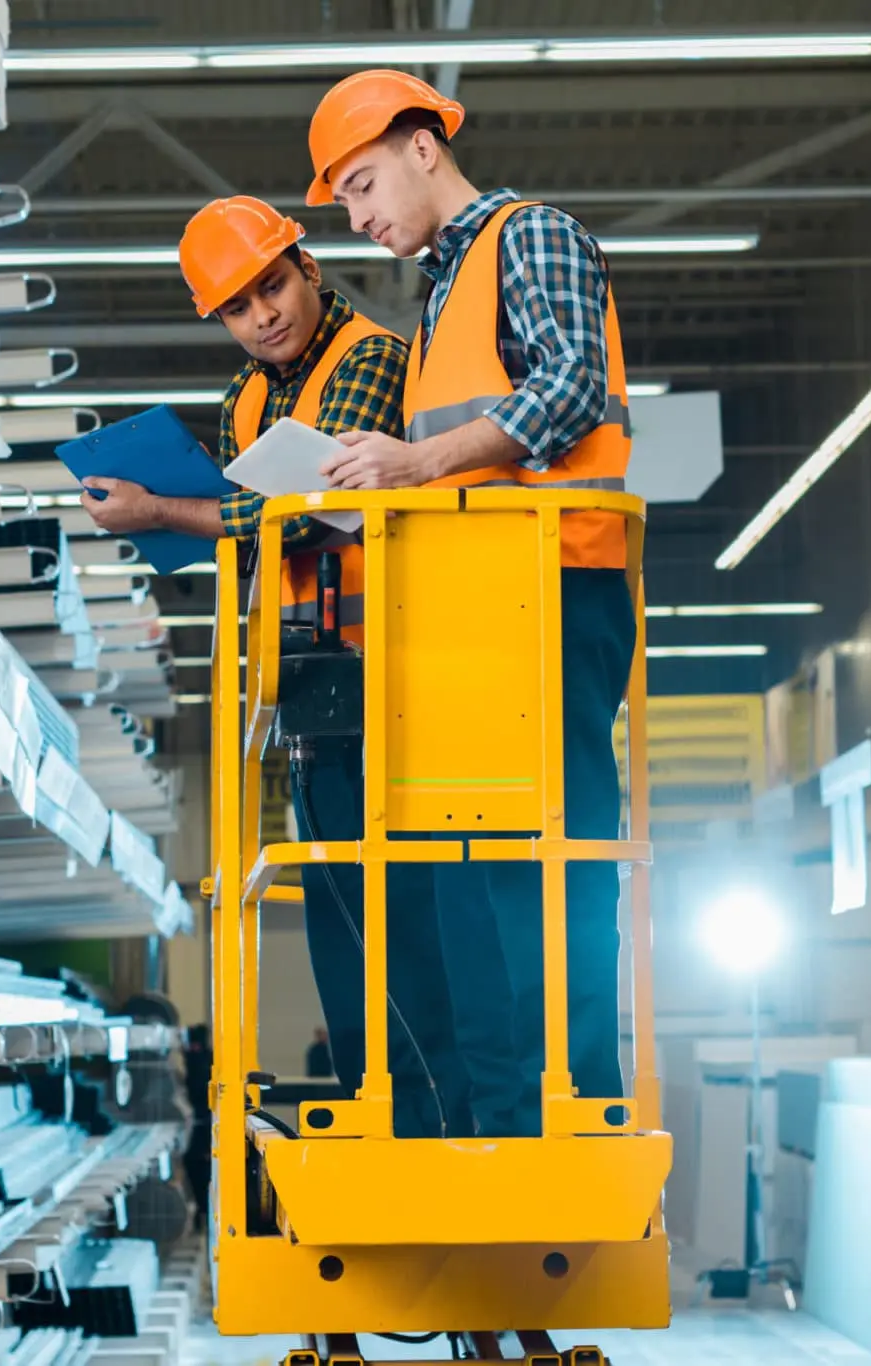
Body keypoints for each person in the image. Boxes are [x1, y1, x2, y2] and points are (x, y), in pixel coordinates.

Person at [82, 195, 471, 1139]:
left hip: (383, 658)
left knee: (399, 904)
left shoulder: (367, 355)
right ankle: (370, 1105)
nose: (265, 315)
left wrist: (166, 514)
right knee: (338, 905)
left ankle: (433, 1118)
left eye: (274, 285)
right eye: (240, 306)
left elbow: (314, 509)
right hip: (302, 667)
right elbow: (252, 528)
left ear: (308, 269)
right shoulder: (243, 397)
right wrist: (190, 514)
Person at [300, 69, 637, 1139]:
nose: (358, 219)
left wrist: (415, 462)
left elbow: (571, 383)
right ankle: (500, 1119)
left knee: (555, 859)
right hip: (480, 602)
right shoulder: (446, 285)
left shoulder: (528, 236)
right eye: (344, 205)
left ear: (421, 148)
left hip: (554, 585)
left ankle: (571, 1111)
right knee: (476, 866)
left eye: (359, 188)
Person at [181, 1023, 212, 1228]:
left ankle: (203, 1212)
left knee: (198, 1172)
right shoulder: (208, 1058)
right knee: (197, 1171)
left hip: (199, 1125)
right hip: (199, 1124)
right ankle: (202, 1211)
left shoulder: (196, 1059)